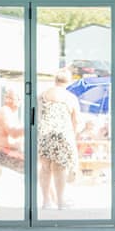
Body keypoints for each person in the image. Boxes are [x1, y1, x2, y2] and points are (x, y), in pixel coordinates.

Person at [37, 68, 80, 210]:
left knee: (45, 168)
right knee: (60, 168)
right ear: (69, 81)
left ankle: (46, 201)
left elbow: (37, 115)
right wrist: (73, 136)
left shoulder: (42, 95)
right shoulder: (70, 97)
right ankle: (60, 201)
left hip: (44, 133)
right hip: (62, 134)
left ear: (55, 80)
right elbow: (76, 121)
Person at [0, 88, 25, 173]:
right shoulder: (4, 111)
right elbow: (13, 133)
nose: (20, 101)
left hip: (7, 152)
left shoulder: (10, 113)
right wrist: (31, 128)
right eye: (18, 98)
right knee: (31, 165)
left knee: (37, 161)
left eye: (20, 98)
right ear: (7, 99)